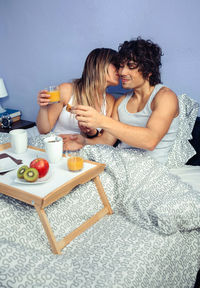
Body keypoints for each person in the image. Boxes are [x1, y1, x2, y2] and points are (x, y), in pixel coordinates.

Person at [64, 37, 179, 164]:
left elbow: (150, 141)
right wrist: (83, 141)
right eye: (121, 66)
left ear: (148, 70)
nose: (122, 72)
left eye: (130, 66)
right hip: (120, 161)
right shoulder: (121, 102)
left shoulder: (165, 97)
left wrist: (101, 120)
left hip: (149, 168)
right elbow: (107, 141)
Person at [36, 48, 119, 138]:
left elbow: (103, 139)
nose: (120, 70)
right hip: (58, 146)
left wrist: (91, 132)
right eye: (116, 65)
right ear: (100, 66)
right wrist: (43, 107)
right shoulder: (66, 90)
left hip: (86, 149)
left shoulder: (110, 101)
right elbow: (44, 130)